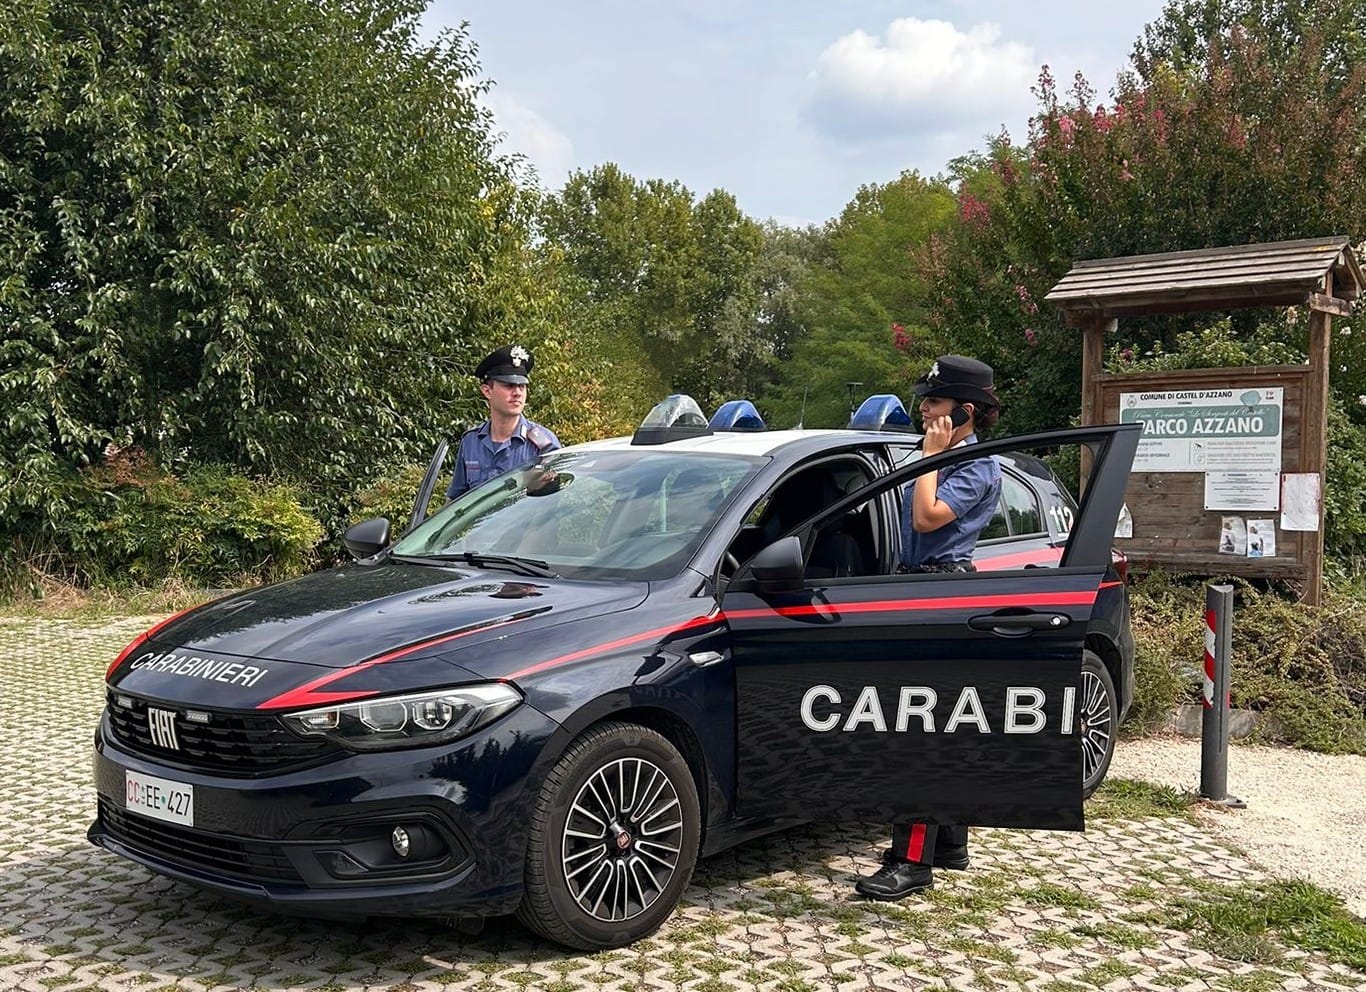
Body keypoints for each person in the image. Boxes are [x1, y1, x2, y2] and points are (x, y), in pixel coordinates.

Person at [855, 354, 1003, 902]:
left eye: (935, 401)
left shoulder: (976, 465)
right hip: (918, 587)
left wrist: (932, 458)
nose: (923, 408)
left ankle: (911, 862)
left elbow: (926, 517)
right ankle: (949, 843)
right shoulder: (945, 456)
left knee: (915, 728)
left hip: (942, 590)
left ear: (966, 412)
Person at [446, 344, 562, 501]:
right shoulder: (471, 442)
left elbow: (552, 506)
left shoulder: (544, 444)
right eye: (509, 385)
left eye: (522, 386)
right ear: (487, 391)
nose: (517, 393)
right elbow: (455, 501)